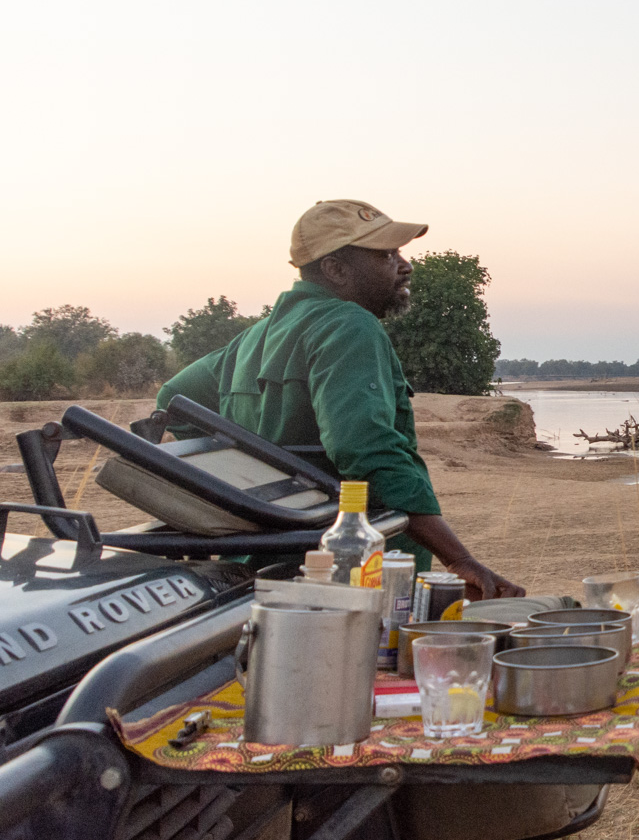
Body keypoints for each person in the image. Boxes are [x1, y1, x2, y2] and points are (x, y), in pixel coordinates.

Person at [158, 199, 524, 599]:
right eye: (386, 255)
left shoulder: (256, 337)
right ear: (336, 269)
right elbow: (364, 448)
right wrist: (459, 559)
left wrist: (244, 486)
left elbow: (175, 396)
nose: (405, 265)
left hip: (270, 567)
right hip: (352, 574)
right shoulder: (350, 325)